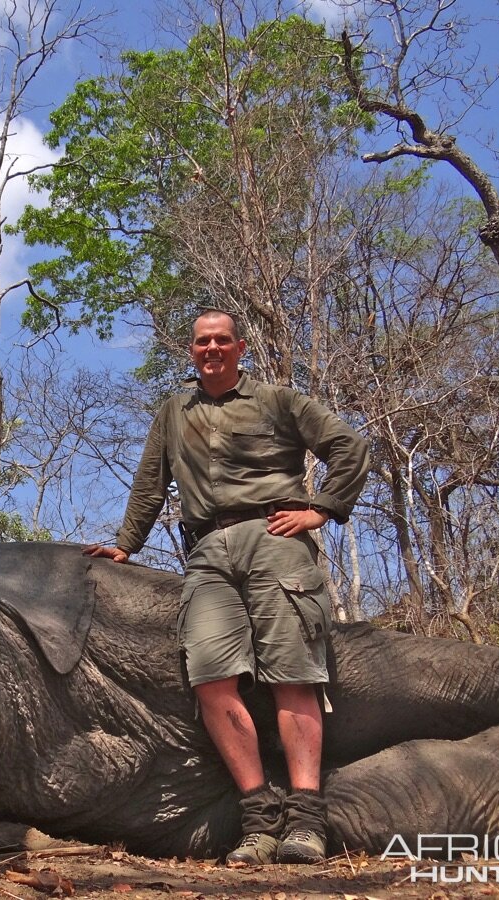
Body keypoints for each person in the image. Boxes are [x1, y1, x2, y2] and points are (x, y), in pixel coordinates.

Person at [85, 309, 369, 866]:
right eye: (201, 342)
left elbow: (348, 448)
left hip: (275, 538)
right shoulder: (174, 411)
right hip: (208, 551)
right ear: (190, 351)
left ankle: (307, 821)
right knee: (212, 677)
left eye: (221, 340)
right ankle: (259, 821)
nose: (211, 349)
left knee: (293, 673)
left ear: (239, 347)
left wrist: (321, 510)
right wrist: (126, 545)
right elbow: (150, 481)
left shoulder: (278, 400)